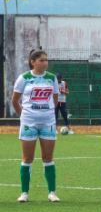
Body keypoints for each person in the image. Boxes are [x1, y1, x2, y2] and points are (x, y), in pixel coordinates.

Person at [12, 49, 61, 202]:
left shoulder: (51, 78)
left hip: (48, 122)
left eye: (46, 60)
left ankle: (52, 193)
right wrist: (25, 116)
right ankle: (24, 193)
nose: (45, 63)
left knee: (48, 157)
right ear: (33, 62)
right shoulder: (24, 78)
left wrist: (47, 112)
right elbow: (15, 100)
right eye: (41, 60)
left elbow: (55, 99)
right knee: (27, 158)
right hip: (28, 122)